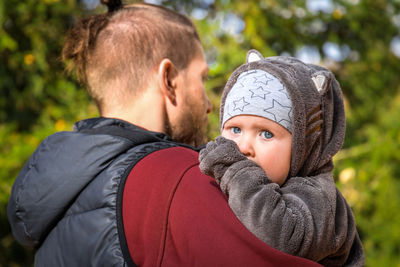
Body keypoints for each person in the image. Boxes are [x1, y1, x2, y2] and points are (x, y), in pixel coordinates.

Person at [7, 1, 322, 266]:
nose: (210, 105)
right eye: (201, 78)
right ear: (169, 79)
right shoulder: (175, 177)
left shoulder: (53, 211)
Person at [199, 50, 365, 266]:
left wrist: (236, 171)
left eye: (266, 134)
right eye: (235, 129)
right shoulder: (235, 176)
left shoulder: (320, 199)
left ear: (304, 146)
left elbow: (281, 238)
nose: (243, 147)